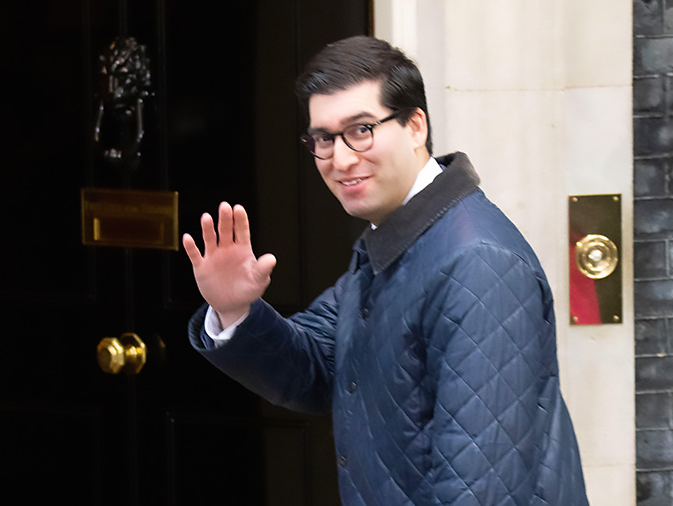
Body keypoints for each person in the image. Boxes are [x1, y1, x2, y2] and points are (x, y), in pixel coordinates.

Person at [183, 36, 590, 505]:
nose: (340, 159)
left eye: (361, 130)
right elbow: (317, 368)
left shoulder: (478, 263)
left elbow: (481, 487)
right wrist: (235, 311)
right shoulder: (397, 233)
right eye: (323, 139)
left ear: (415, 126)